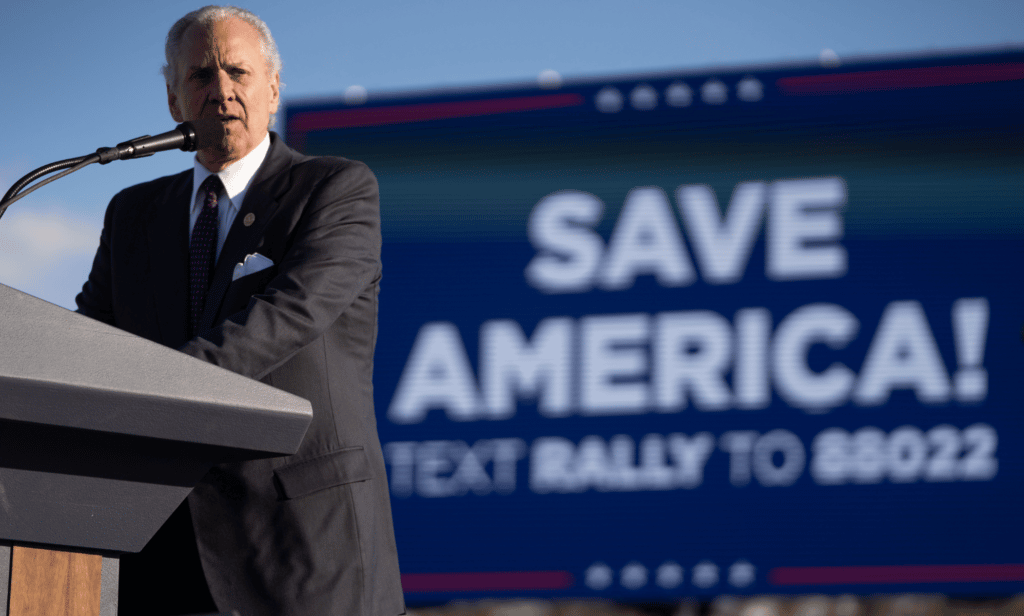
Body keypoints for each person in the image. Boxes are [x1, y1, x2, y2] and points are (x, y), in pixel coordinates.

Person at [75, 6, 404, 616]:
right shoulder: (132, 213)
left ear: (273, 88)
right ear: (174, 100)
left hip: (303, 547)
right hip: (164, 552)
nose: (221, 89)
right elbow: (90, 341)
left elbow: (289, 315)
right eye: (200, 75)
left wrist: (156, 385)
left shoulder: (335, 188)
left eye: (238, 71)